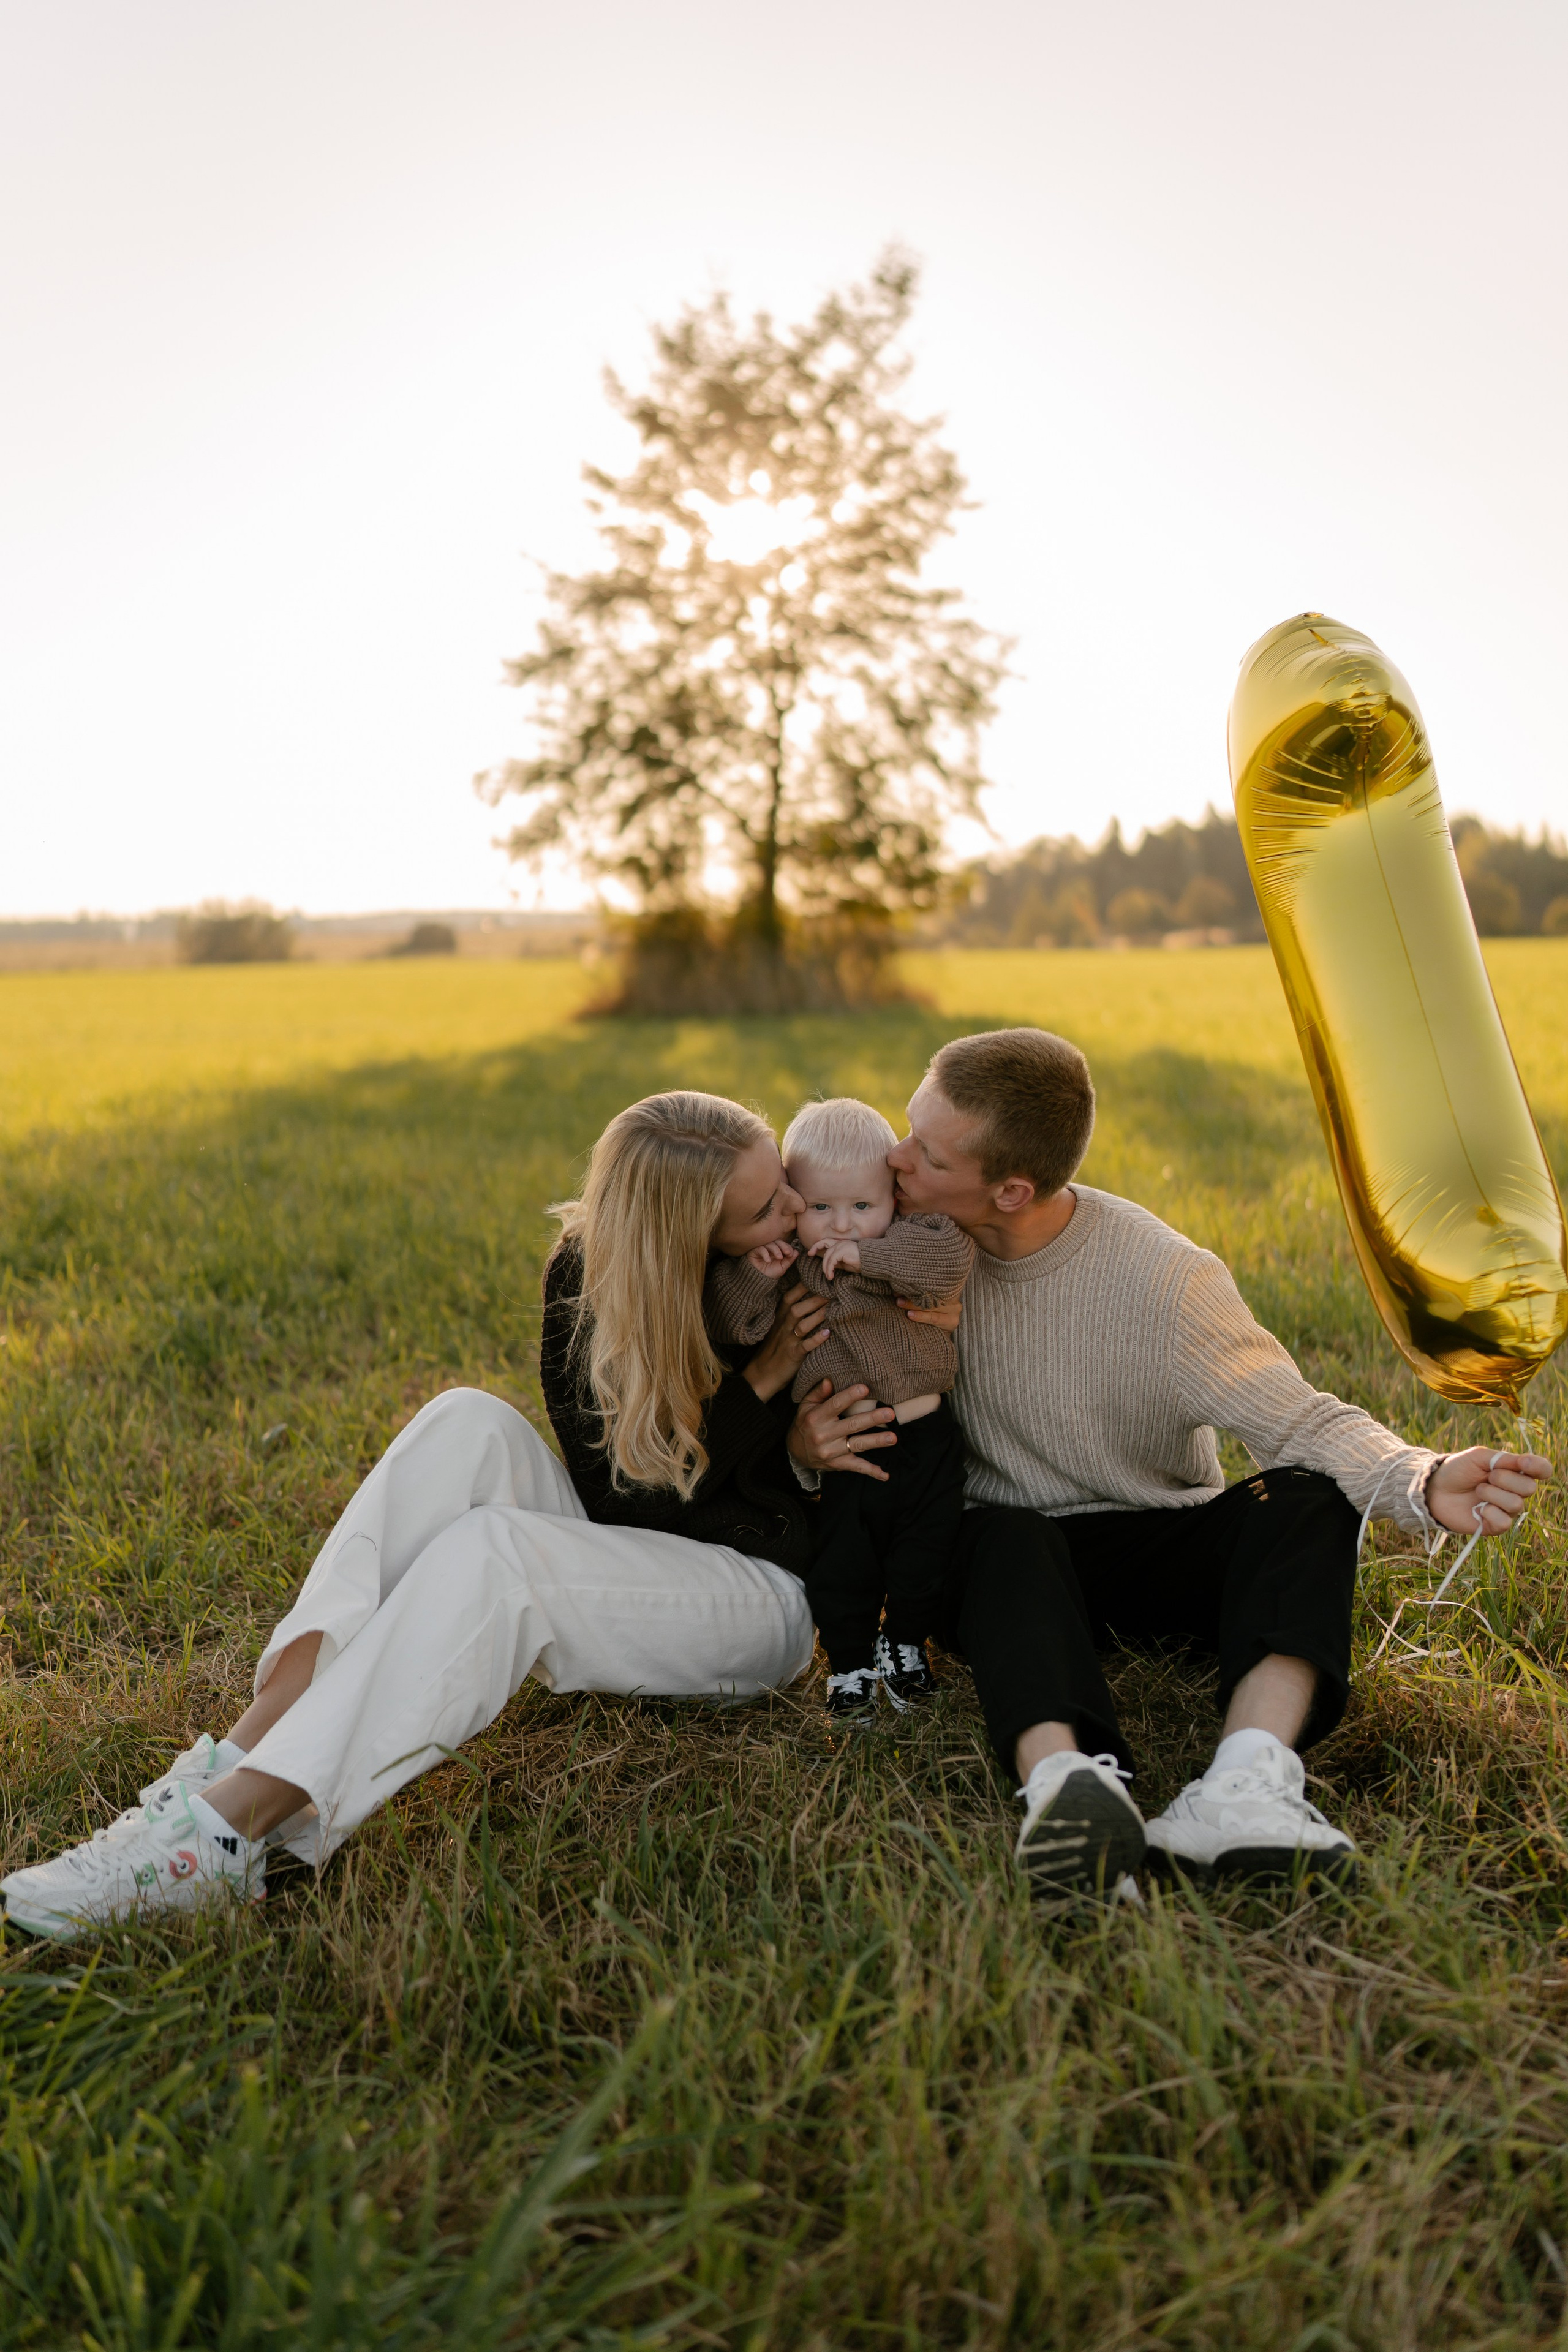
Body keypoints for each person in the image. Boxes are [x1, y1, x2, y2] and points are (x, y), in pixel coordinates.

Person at [1, 1091, 849, 1942]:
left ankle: (226, 1840)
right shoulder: (590, 1277)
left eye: (782, 1187)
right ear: (680, 1232)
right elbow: (619, 1500)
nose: (796, 1210)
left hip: (764, 1597)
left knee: (497, 1556)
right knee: (465, 1422)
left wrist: (772, 1394)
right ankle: (231, 1762)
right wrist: (754, 1392)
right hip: (641, 1546)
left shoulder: (808, 1273)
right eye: (767, 1205)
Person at [785, 1027, 1555, 1897]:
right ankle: (1068, 1789)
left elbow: (1297, 1417)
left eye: (925, 1151)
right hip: (1009, 1569)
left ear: (1010, 1189)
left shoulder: (1161, 1279)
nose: (896, 1156)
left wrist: (1415, 1478)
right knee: (999, 1534)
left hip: (1160, 1544)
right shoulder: (891, 1259)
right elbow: (815, 1387)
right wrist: (804, 1449)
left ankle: (1246, 1784)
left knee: (1305, 1499)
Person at [706, 1096, 974, 1723]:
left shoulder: (907, 1241)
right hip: (848, 1447)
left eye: (862, 1206)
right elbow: (729, 1321)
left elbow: (947, 1263)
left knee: (926, 1550)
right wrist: (755, 1276)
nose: (843, 1226)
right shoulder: (790, 1268)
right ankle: (850, 1660)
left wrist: (870, 1258)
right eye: (821, 1207)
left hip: (927, 1437)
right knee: (845, 1560)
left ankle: (904, 1642)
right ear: (794, 1200)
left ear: (893, 1198)